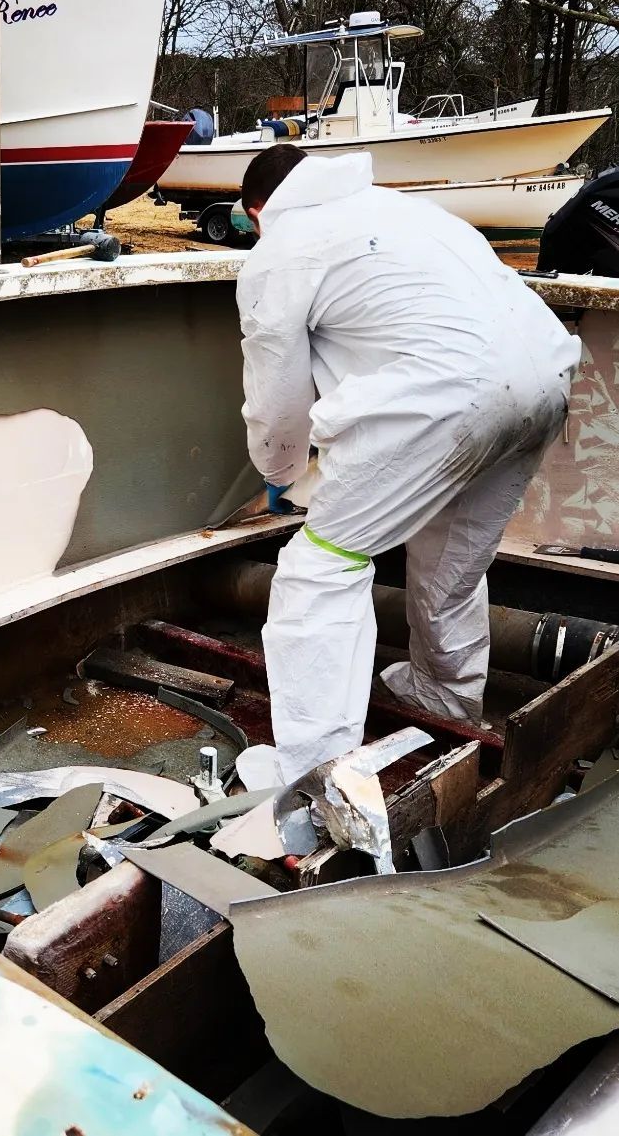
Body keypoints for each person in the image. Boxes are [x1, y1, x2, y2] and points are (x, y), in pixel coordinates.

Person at [235, 144, 579, 786]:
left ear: (257, 210)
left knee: (321, 567)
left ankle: (312, 768)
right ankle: (446, 700)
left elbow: (277, 398)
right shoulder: (407, 210)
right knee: (452, 561)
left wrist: (281, 474)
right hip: (545, 381)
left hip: (451, 395)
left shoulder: (279, 252)